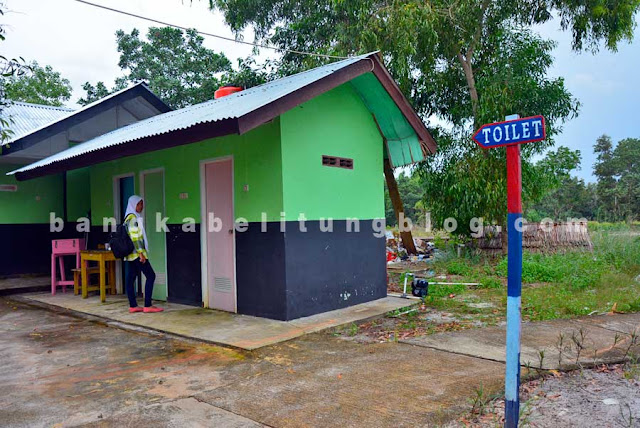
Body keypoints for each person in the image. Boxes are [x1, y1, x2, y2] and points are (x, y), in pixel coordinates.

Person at [123, 195, 163, 313]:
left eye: (142, 203)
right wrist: (141, 253)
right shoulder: (133, 218)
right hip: (137, 254)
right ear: (133, 204)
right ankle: (147, 305)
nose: (142, 206)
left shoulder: (128, 217)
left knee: (131, 278)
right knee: (151, 276)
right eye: (139, 204)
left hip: (131, 254)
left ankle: (133, 305)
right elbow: (135, 237)